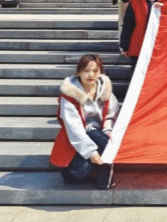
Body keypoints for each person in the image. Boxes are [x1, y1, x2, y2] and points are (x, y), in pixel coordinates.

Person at [50, 54, 119, 190]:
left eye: (95, 71)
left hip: (100, 137)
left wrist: (108, 130)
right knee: (81, 170)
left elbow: (111, 116)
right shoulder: (69, 97)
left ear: (100, 72)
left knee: (101, 136)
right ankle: (104, 174)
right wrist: (91, 153)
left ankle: (103, 175)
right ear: (79, 72)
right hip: (77, 143)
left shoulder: (106, 92)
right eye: (86, 71)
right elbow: (74, 129)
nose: (91, 75)